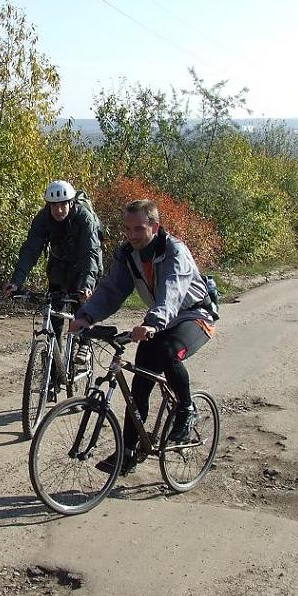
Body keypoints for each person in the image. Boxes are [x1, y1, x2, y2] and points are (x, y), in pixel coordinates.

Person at [69, 199, 216, 476]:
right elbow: (112, 289)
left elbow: (172, 292)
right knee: (140, 385)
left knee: (168, 351)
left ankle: (186, 410)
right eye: (127, 229)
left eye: (138, 229)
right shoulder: (128, 254)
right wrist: (85, 317)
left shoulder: (174, 251)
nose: (132, 235)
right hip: (160, 321)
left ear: (154, 227)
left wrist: (151, 323)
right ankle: (127, 452)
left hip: (194, 316)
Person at [3, 180, 103, 380]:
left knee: (81, 305)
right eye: (54, 206)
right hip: (60, 267)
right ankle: (54, 374)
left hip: (85, 265)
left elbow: (90, 254)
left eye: (63, 205)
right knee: (55, 315)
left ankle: (84, 344)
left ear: (71, 203)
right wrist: (16, 282)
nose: (58, 210)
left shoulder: (84, 218)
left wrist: (87, 285)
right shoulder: (43, 219)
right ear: (48, 205)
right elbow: (30, 249)